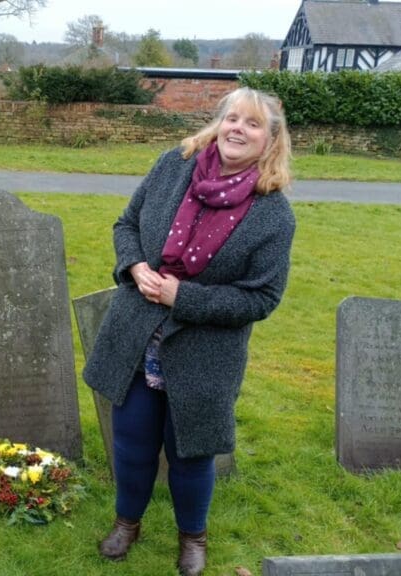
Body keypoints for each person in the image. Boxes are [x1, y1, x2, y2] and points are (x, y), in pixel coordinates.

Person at [82, 87, 296, 576]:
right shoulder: (173, 166)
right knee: (132, 442)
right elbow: (127, 224)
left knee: (191, 452)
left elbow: (262, 298)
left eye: (253, 124)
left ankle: (192, 538)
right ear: (218, 123)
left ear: (271, 141)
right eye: (232, 118)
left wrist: (185, 298)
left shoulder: (273, 215)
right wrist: (134, 266)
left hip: (204, 352)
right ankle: (127, 523)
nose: (238, 129)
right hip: (137, 333)